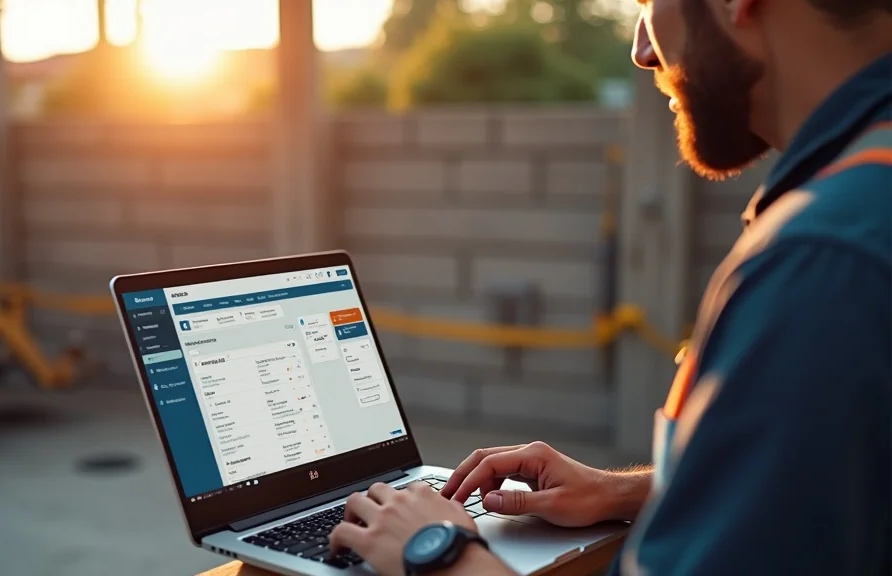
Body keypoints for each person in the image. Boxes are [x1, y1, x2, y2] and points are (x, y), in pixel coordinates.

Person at [327, 0, 892, 574]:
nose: (643, 50)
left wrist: (438, 554)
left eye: (648, 3)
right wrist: (621, 491)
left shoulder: (823, 263)